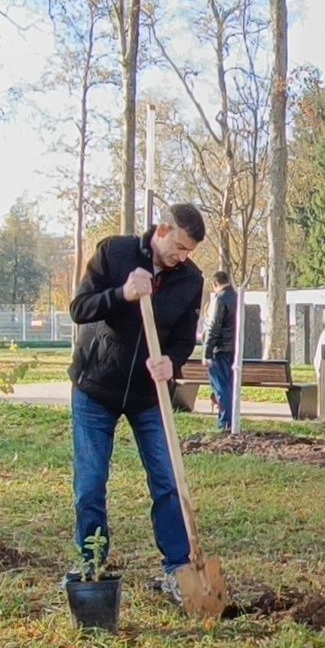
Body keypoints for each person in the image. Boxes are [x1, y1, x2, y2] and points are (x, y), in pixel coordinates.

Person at [68, 203, 206, 603]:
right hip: (95, 387)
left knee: (167, 481)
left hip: (149, 396)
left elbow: (184, 339)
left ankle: (178, 569)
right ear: (162, 230)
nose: (182, 257)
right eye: (179, 246)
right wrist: (122, 294)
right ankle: (92, 565)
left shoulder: (190, 280)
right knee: (91, 483)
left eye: (189, 251)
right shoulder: (114, 252)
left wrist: (172, 361)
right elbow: (79, 309)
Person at [203, 271, 238, 433]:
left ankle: (224, 422)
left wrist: (207, 352)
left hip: (220, 349)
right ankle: (232, 421)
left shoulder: (220, 299)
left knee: (220, 387)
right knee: (230, 386)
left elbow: (214, 327)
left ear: (215, 284)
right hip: (234, 350)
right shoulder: (237, 297)